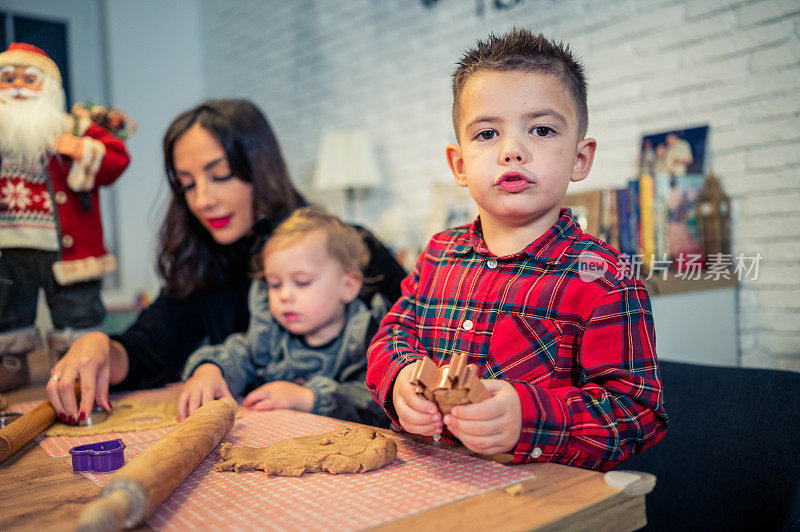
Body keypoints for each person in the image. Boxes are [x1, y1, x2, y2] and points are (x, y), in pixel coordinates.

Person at [366, 29, 668, 471]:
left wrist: (530, 420)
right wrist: (399, 380)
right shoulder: (438, 254)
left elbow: (638, 415)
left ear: (580, 159)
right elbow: (391, 337)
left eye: (541, 130)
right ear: (460, 164)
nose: (512, 151)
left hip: (539, 498)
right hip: (430, 482)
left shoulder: (604, 277)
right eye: (487, 134)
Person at [46, 99, 406, 425]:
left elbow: (419, 337)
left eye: (220, 175)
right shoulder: (201, 261)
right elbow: (148, 349)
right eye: (187, 184)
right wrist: (99, 346)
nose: (202, 200)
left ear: (261, 169)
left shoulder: (350, 249)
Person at [179, 207, 389, 427]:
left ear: (347, 286)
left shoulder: (368, 339)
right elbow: (240, 354)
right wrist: (211, 369)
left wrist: (307, 398)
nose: (284, 296)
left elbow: (374, 402)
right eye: (275, 284)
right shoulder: (270, 334)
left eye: (302, 282)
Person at [0, 43, 130, 392]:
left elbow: (118, 158)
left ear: (50, 87)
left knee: (77, 311)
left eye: (30, 79)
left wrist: (87, 150)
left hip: (69, 250)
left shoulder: (72, 127)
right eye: (7, 78)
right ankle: (10, 363)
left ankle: (79, 365)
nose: (17, 87)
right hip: (6, 247)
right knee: (7, 309)